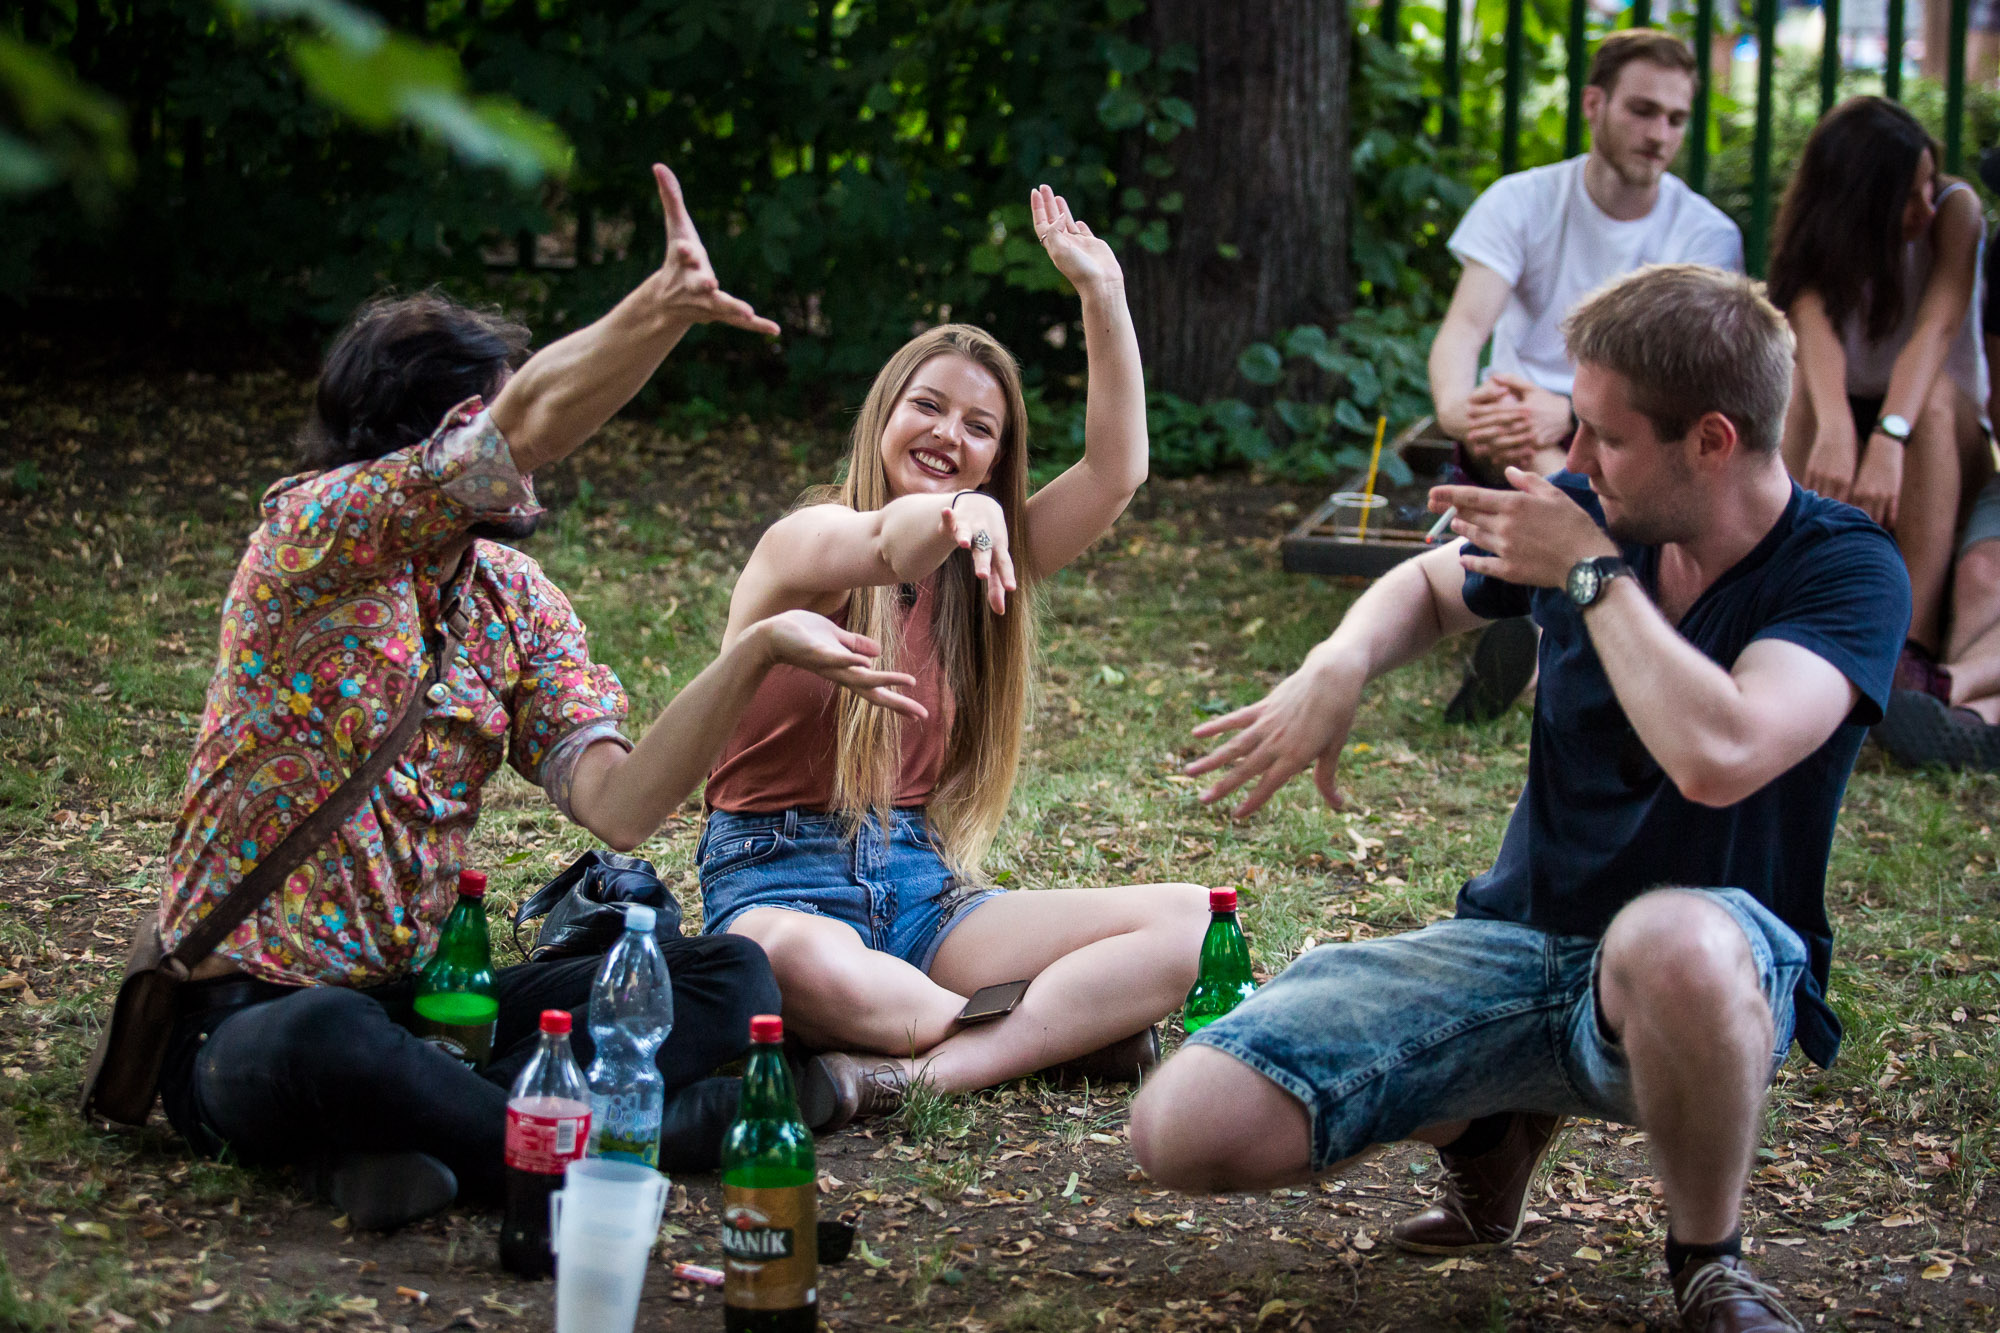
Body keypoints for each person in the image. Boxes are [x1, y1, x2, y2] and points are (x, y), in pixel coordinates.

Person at [1129, 265, 1909, 1333]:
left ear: (1711, 441)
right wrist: (1338, 661)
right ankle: (1489, 1135)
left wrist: (1589, 572)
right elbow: (1425, 583)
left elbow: (1720, 751)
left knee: (1669, 938)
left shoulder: (1842, 568)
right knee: (1182, 1127)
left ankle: (1707, 1262)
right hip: (1520, 945)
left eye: (1605, 436)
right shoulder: (1596, 510)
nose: (1574, 459)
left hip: (1713, 974)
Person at [151, 164, 925, 1231]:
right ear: (448, 431)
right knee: (330, 1038)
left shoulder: (512, 599)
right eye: (497, 430)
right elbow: (531, 423)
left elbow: (620, 805)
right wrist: (658, 308)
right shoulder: (313, 539)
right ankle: (608, 1153)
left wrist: (752, 653)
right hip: (244, 1023)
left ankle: (425, 1138)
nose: (537, 468)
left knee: (729, 979)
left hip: (428, 1014)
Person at [696, 185, 1210, 1132]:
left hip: (926, 894)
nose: (948, 435)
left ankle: (916, 1071)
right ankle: (1053, 1036)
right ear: (882, 414)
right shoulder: (803, 542)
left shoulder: (984, 571)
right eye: (928, 406)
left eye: (980, 427)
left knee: (1190, 926)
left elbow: (1115, 473)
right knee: (790, 962)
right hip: (776, 880)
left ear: (997, 457)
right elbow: (885, 543)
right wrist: (959, 513)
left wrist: (1103, 296)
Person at [1426, 29, 1743, 723]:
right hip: (1507, 428)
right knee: (1544, 442)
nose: (1660, 135)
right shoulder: (1522, 199)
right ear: (1594, 104)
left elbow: (1678, 387)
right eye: (1642, 110)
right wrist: (1461, 414)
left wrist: (1570, 413)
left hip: (1632, 440)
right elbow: (1464, 331)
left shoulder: (1706, 235)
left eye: (1677, 119)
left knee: (1580, 451)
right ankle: (1560, 644)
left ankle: (1544, 642)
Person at [1767, 95, 1993, 689]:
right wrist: (1838, 428)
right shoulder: (1820, 237)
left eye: (1927, 184)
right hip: (1853, 405)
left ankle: (1909, 644)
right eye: (1907, 196)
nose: (1925, 205)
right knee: (1798, 388)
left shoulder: (1955, 211)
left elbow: (1936, 329)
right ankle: (1785, 598)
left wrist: (1890, 437)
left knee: (1934, 403)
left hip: (1937, 421)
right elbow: (1811, 330)